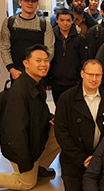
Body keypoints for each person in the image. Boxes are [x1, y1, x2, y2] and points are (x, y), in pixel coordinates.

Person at [55, 59, 104, 191]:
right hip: (73, 162)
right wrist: (82, 159)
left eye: (98, 75)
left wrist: (98, 157)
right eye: (90, 74)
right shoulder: (66, 99)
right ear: (82, 74)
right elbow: (61, 133)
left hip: (102, 159)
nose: (94, 79)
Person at [0, 44, 60, 190]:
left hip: (33, 138)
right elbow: (14, 133)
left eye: (46, 60)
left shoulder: (37, 84)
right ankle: (30, 169)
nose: (44, 64)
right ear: (26, 64)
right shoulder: (19, 92)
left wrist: (51, 118)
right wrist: (25, 162)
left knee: (61, 131)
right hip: (20, 147)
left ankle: (38, 167)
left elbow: (41, 111)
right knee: (27, 183)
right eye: (38, 60)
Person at [0, 0, 55, 80]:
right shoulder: (9, 22)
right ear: (20, 2)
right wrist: (11, 69)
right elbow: (4, 47)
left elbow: (49, 50)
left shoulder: (44, 25)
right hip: (17, 72)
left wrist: (41, 68)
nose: (30, 4)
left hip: (38, 74)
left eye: (33, 1)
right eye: (26, 0)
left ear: (37, 4)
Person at [49, 8, 87, 104]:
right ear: (57, 20)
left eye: (68, 20)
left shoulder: (80, 38)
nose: (65, 23)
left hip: (75, 82)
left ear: (72, 21)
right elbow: (48, 58)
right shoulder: (51, 37)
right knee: (59, 108)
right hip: (56, 81)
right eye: (62, 20)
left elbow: (83, 59)